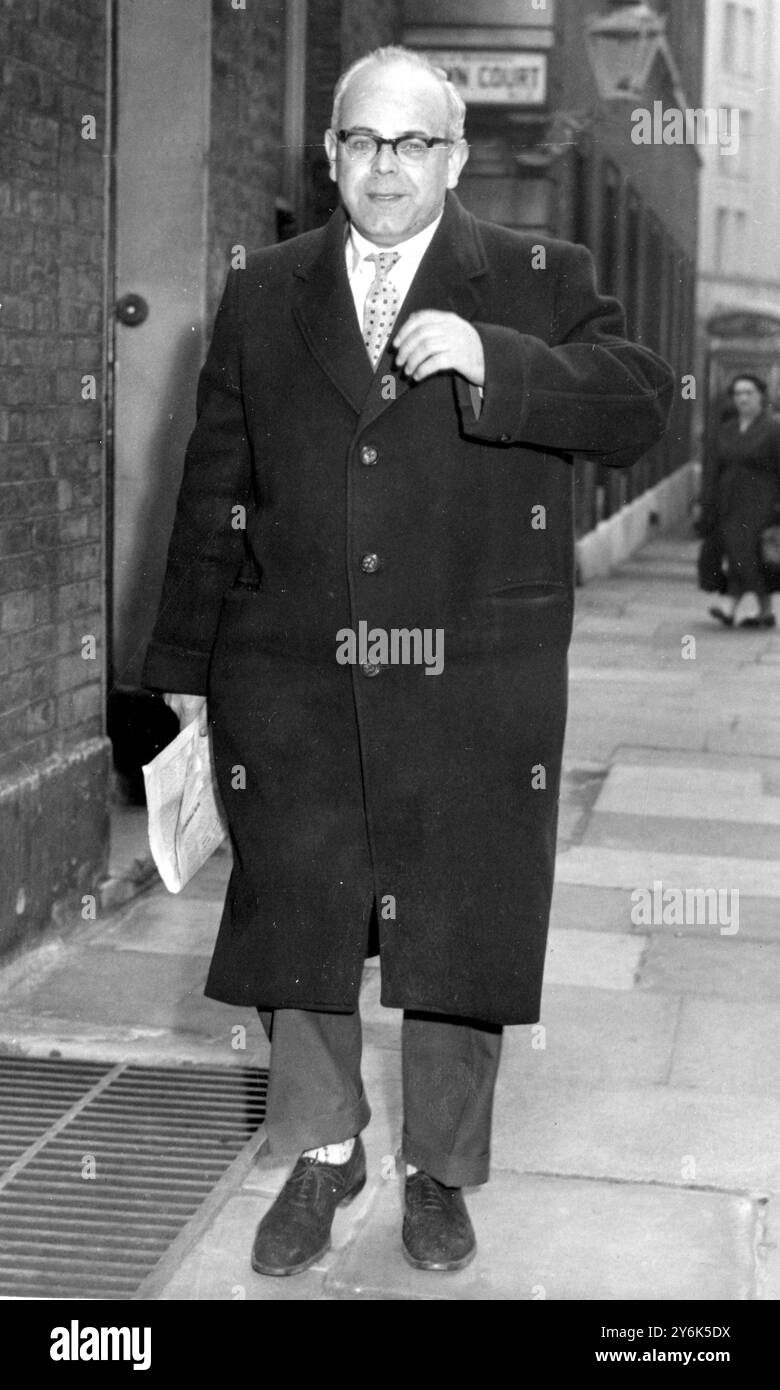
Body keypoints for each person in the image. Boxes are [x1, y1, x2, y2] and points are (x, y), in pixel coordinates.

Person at [142, 46, 673, 1277]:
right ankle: (325, 1155)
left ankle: (441, 1173)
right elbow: (215, 479)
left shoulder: (540, 277)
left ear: (455, 157)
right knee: (300, 916)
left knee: (458, 930)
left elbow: (640, 401)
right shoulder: (265, 289)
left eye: (415, 143)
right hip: (293, 665)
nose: (388, 167)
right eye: (364, 143)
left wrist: (501, 362)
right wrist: (186, 655)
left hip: (472, 672)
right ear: (329, 155)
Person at [707, 374, 780, 628]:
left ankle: (730, 605)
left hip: (762, 501)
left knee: (745, 552)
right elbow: (715, 466)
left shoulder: (773, 428)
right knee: (741, 553)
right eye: (738, 393)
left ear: (761, 395)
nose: (743, 398)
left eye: (749, 392)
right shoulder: (726, 428)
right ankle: (765, 611)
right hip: (729, 500)